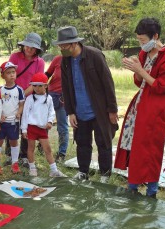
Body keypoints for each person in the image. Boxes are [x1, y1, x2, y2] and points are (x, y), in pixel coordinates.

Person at [114, 18, 165, 198]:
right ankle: (132, 187)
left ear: (155, 36)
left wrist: (140, 71)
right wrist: (136, 71)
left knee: (151, 149)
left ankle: (151, 191)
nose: (141, 45)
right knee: (135, 146)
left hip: (155, 109)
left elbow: (164, 87)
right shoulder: (143, 55)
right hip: (139, 106)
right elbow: (139, 82)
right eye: (139, 41)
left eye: (143, 41)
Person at [53, 26, 118, 183]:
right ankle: (83, 171)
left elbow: (108, 83)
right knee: (82, 142)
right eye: (60, 46)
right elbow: (66, 88)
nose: (62, 49)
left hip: (99, 109)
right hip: (79, 109)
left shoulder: (94, 56)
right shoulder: (65, 61)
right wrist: (70, 112)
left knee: (103, 142)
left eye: (64, 46)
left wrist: (112, 109)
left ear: (75, 43)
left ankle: (105, 174)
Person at [8, 32, 45, 167]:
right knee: (11, 123)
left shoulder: (39, 62)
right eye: (27, 46)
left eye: (32, 47)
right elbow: (8, 74)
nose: (29, 49)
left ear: (37, 49)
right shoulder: (15, 57)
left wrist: (22, 95)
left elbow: (36, 82)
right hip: (12, 95)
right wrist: (14, 93)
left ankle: (24, 155)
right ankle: (10, 154)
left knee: (26, 125)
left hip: (29, 97)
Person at [21, 73, 66, 178]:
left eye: (40, 85)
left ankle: (54, 170)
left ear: (46, 86)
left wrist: (50, 121)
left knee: (48, 149)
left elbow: (52, 111)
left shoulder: (49, 98)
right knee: (30, 148)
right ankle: (32, 168)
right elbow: (25, 114)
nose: (37, 88)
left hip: (42, 129)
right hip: (31, 128)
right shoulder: (30, 99)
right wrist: (24, 129)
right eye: (34, 85)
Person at [0, 61, 25, 174]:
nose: (12, 75)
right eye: (8, 73)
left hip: (13, 121)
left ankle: (15, 163)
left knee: (14, 141)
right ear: (2, 76)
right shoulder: (0, 90)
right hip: (1, 122)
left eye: (13, 72)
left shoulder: (19, 89)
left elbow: (21, 104)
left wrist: (19, 113)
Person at [45, 55, 69, 163]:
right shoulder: (57, 59)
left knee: (62, 126)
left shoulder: (76, 62)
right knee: (43, 122)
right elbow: (47, 74)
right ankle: (42, 146)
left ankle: (61, 153)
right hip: (51, 94)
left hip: (64, 97)